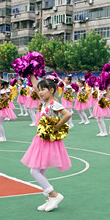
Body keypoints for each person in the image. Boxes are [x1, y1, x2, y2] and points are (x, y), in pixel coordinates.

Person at [21, 75, 72, 212]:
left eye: (43, 89)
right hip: (41, 139)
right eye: (39, 90)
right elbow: (35, 87)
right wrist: (31, 74)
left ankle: (54, 194)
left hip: (48, 141)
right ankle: (50, 198)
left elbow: (67, 114)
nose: (40, 92)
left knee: (34, 171)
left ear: (51, 90)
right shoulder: (44, 103)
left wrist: (56, 127)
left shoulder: (54, 104)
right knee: (41, 170)